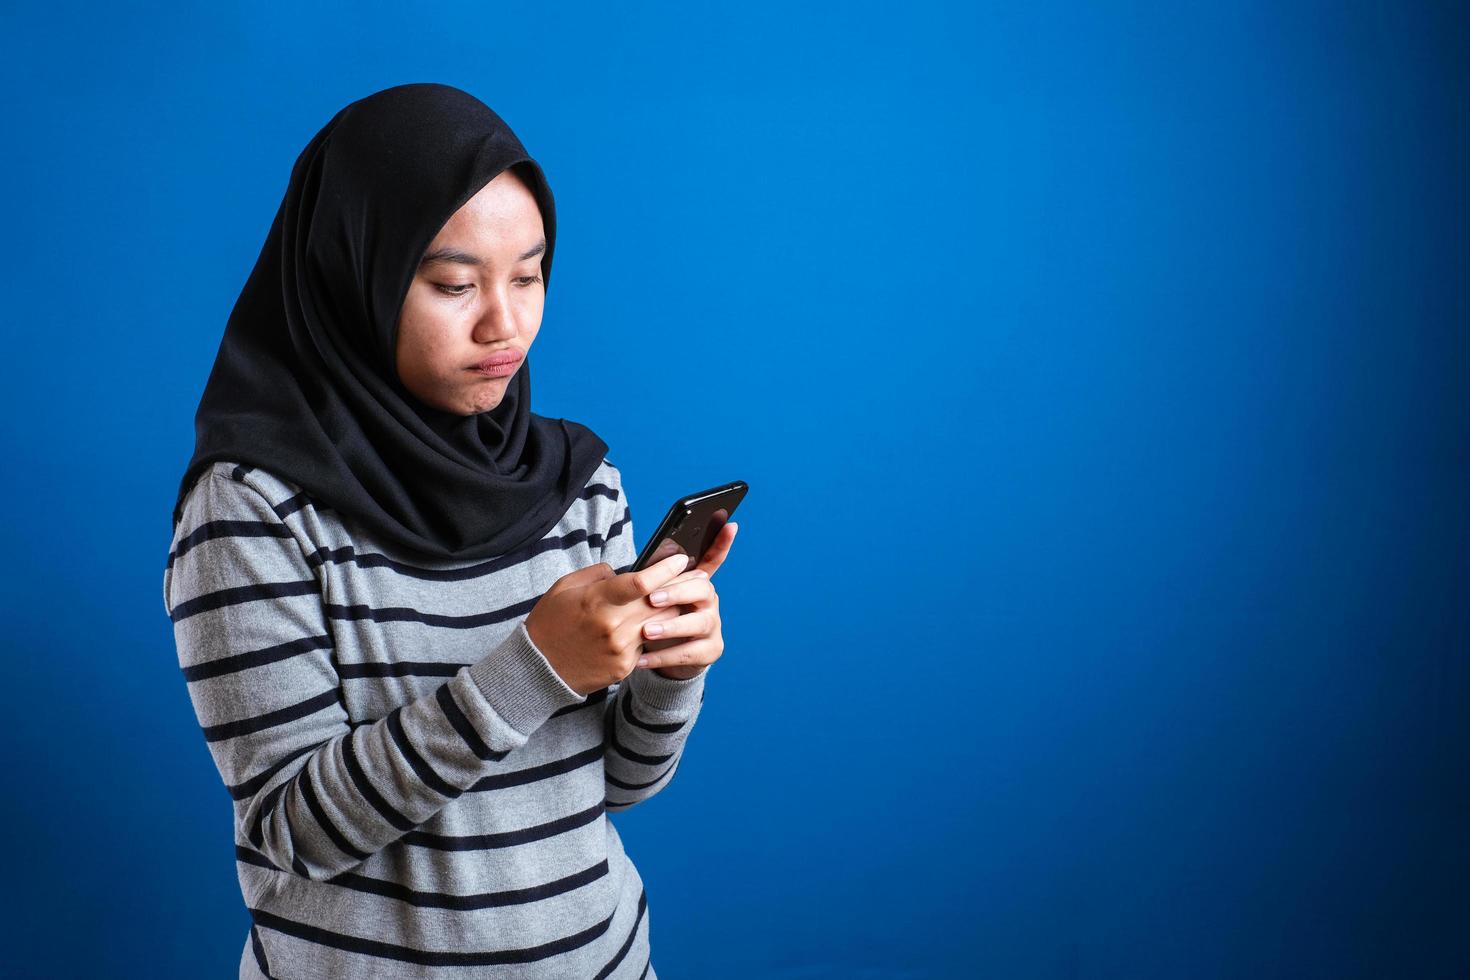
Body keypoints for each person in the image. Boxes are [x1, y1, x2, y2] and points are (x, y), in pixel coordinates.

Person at [162, 83, 737, 980]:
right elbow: (294, 832)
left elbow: (615, 786)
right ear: (357, 274)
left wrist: (672, 674)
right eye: (453, 283)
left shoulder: (579, 485)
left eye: (530, 274)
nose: (504, 324)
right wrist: (531, 669)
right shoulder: (251, 511)